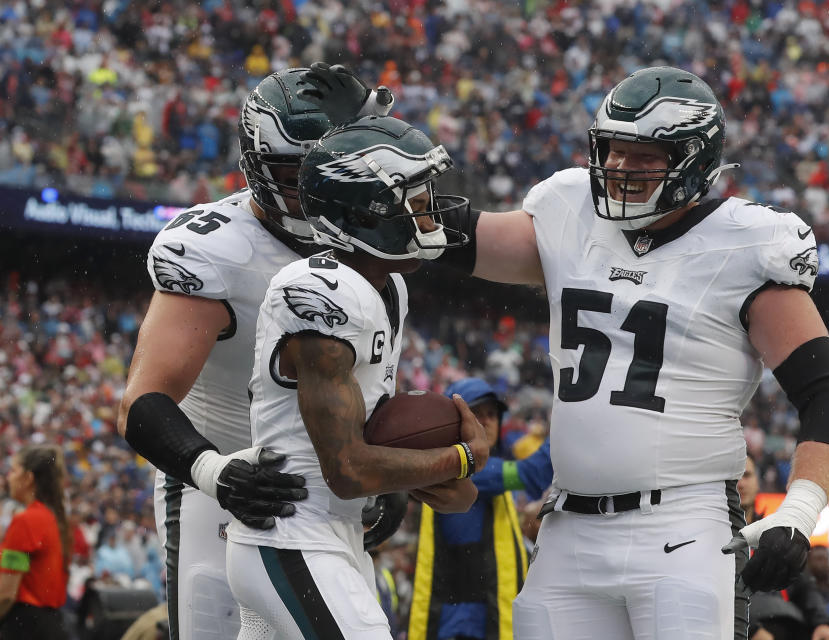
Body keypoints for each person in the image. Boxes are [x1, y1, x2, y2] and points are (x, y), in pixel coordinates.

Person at [433, 65, 829, 639]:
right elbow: (458, 236)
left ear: (693, 159)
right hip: (568, 531)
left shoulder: (749, 244)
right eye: (613, 150)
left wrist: (800, 511)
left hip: (682, 528)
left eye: (644, 156)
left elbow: (825, 393)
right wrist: (386, 196)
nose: (619, 168)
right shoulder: (569, 210)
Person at [117, 63, 395, 640]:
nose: (306, 187)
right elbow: (141, 403)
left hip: (324, 496)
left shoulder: (380, 248)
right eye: (292, 171)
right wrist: (214, 470)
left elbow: (372, 392)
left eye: (323, 169)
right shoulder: (214, 249)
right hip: (215, 482)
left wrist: (387, 482)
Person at [224, 115, 488, 640]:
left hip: (335, 533)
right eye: (415, 199)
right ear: (370, 211)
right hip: (293, 535)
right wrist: (461, 458)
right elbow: (346, 467)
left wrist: (437, 482)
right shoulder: (319, 289)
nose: (431, 210)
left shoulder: (386, 287)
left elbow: (371, 449)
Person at [408, 378, 554, 640]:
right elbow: (536, 472)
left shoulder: (483, 474)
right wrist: (571, 418)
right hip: (463, 628)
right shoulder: (467, 472)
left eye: (491, 414)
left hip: (479, 622)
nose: (486, 420)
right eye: (475, 413)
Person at [738, 455, 829, 640]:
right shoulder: (710, 538)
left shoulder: (777, 536)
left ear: (758, 483)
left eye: (747, 475)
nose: (741, 483)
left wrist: (821, 623)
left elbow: (804, 586)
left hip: (786, 626)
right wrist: (750, 629)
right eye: (735, 477)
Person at [0, 445, 71, 640]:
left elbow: (6, 593)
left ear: (28, 478)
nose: (9, 477)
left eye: (14, 471)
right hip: (50, 625)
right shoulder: (52, 518)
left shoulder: (26, 521)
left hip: (24, 627)